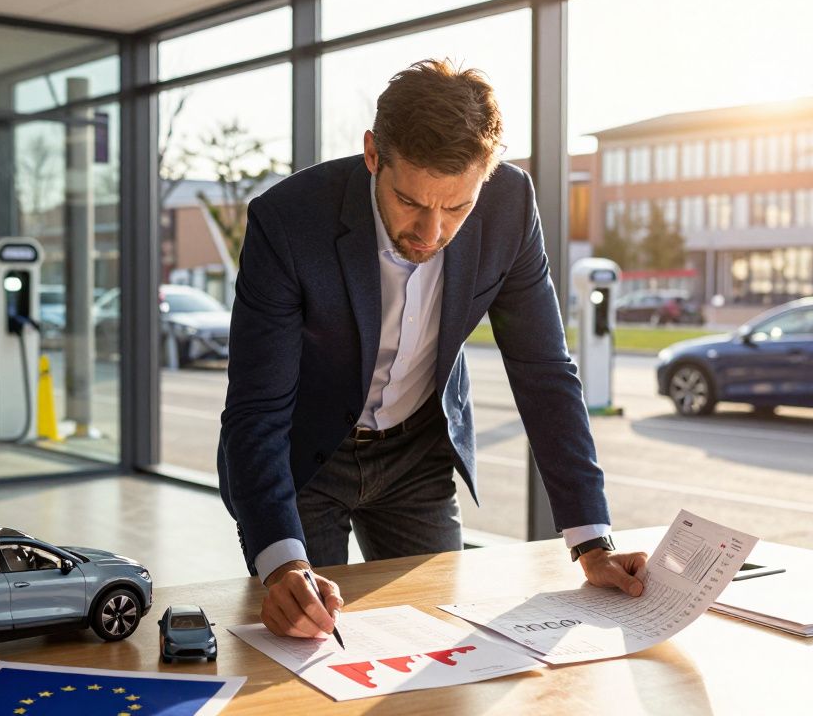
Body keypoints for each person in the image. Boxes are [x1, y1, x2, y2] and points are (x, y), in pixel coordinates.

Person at [217, 59, 646, 639]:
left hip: (416, 455)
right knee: (305, 637)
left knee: (438, 637)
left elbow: (543, 371)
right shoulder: (288, 221)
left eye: (457, 207)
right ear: (373, 154)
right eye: (411, 202)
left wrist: (592, 542)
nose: (432, 232)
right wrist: (283, 565)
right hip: (305, 456)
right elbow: (257, 407)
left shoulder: (510, 205)